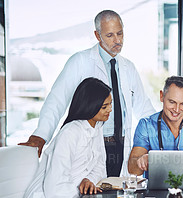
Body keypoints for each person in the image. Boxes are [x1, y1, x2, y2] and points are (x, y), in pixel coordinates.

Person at [19, 9, 155, 178]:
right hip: (91, 142)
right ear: (97, 36)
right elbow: (57, 99)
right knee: (88, 192)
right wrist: (41, 135)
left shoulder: (129, 67)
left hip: (121, 144)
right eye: (110, 35)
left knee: (117, 193)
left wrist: (162, 135)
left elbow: (144, 107)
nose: (117, 40)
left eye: (120, 33)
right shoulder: (80, 61)